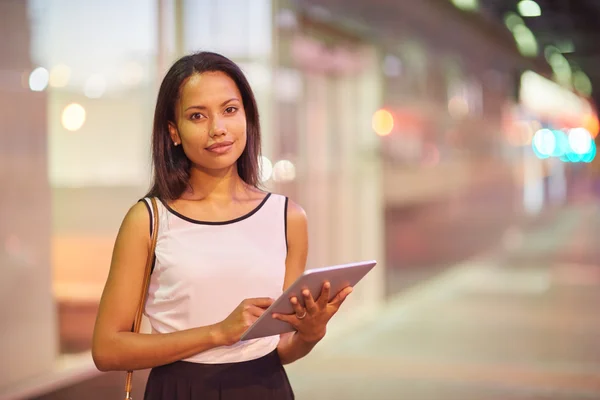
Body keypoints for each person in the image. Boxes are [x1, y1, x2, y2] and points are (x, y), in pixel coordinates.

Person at [92, 51, 354, 399]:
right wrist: (217, 333)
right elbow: (107, 349)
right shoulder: (149, 219)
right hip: (179, 390)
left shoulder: (288, 217)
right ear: (173, 132)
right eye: (197, 116)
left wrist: (310, 333)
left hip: (266, 388)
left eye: (230, 110)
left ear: (247, 117)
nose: (218, 129)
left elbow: (280, 349)